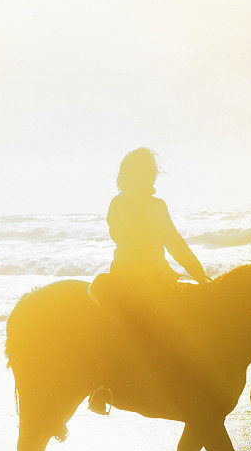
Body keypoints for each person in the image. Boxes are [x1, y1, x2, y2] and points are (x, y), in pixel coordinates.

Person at [88, 147, 210, 414]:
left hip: (159, 275)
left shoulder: (158, 205)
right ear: (127, 176)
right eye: (142, 174)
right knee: (125, 322)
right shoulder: (118, 204)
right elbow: (124, 238)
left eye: (150, 174)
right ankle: (104, 384)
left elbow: (174, 241)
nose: (148, 180)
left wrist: (198, 273)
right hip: (127, 275)